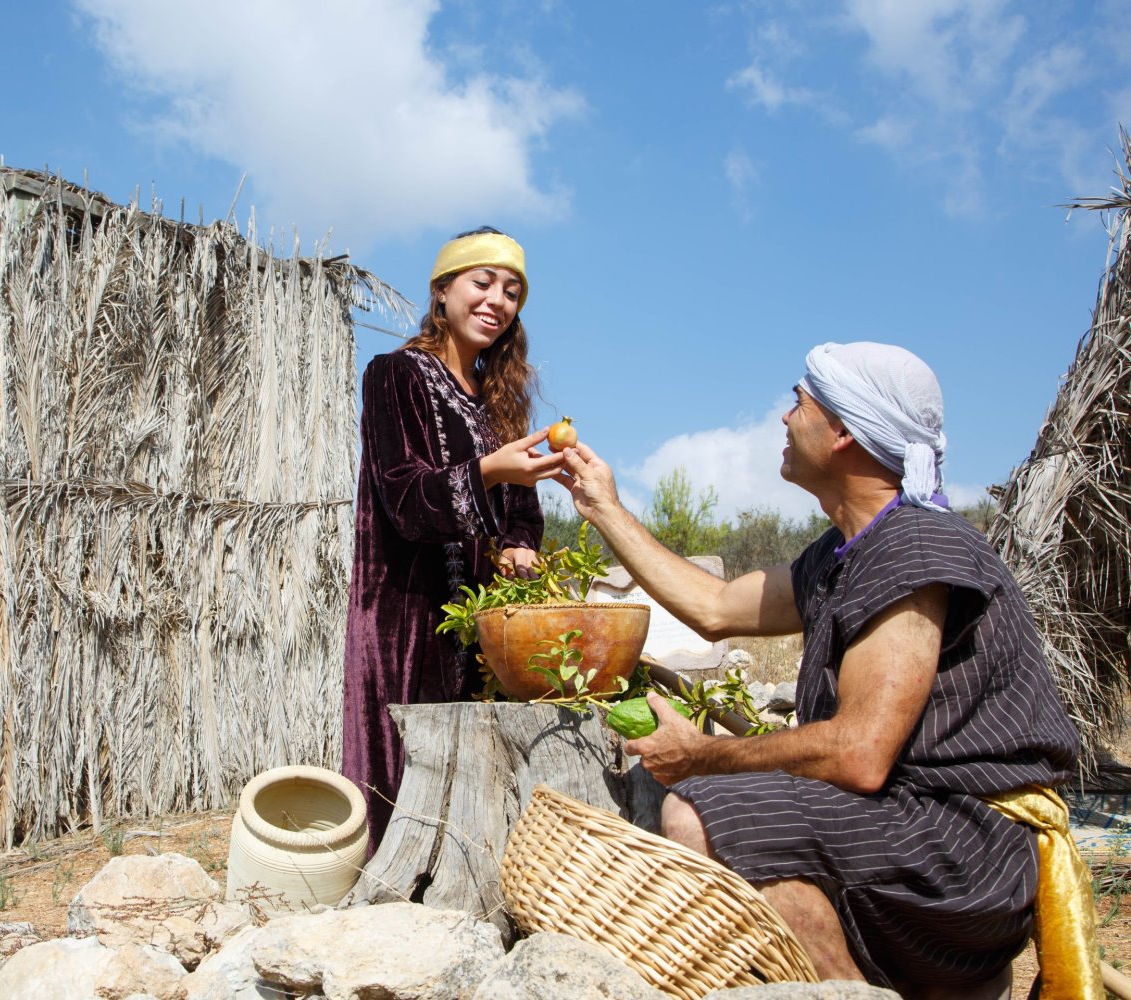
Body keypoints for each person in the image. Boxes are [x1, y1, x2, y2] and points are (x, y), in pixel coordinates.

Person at [555, 342, 1082, 998]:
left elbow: (860, 753)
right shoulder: (844, 552)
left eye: (798, 402)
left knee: (703, 812)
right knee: (741, 820)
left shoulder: (914, 544)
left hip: (963, 848)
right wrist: (603, 505)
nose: (783, 418)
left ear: (843, 433)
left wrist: (702, 757)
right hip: (908, 827)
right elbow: (715, 606)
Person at [341, 227, 565, 852]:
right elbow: (405, 500)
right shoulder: (394, 376)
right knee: (408, 764)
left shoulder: (499, 405)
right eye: (482, 283)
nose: (498, 300)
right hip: (406, 610)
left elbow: (522, 512)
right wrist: (490, 471)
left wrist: (523, 545)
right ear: (442, 293)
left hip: (483, 613)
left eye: (513, 291)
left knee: (481, 769)